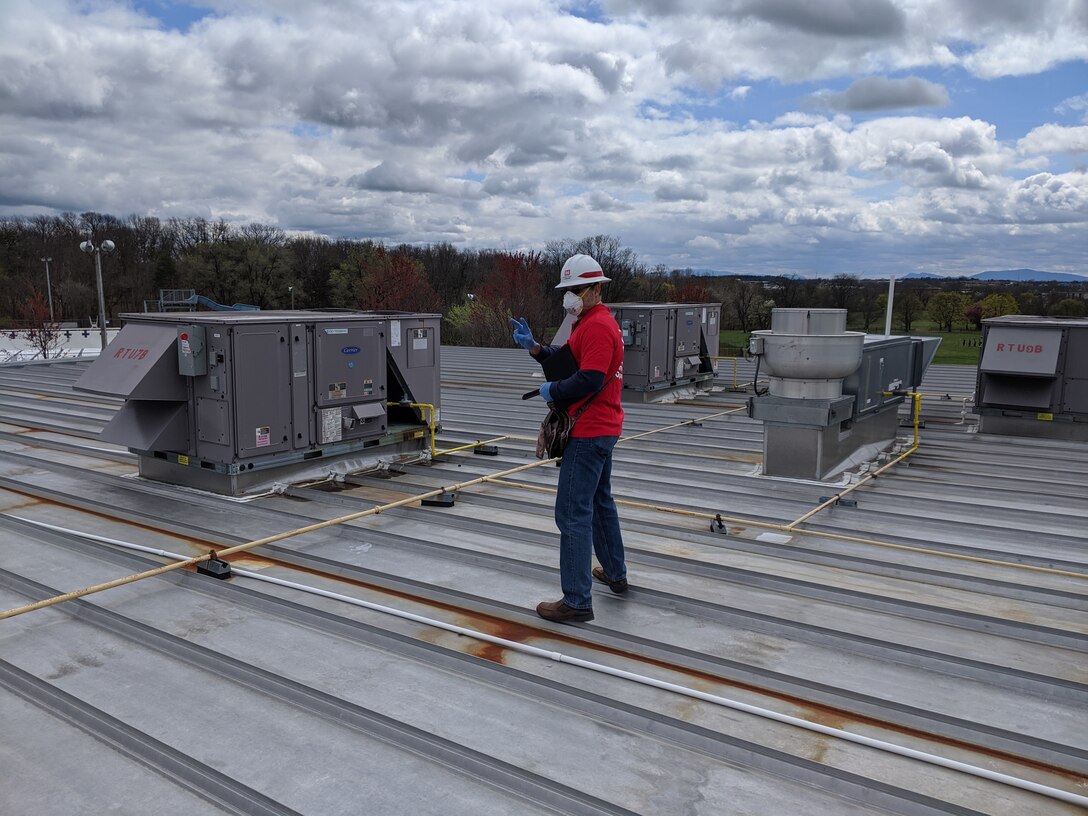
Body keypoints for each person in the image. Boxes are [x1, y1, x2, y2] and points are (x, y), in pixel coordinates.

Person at [510, 254, 628, 623]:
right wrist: (536, 349)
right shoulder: (589, 322)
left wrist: (552, 391)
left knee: (572, 513)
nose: (570, 297)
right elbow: (569, 361)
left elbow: (589, 378)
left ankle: (577, 601)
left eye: (576, 290)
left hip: (589, 431)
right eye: (567, 291)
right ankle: (615, 572)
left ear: (596, 289)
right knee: (600, 502)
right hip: (604, 427)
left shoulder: (596, 327)